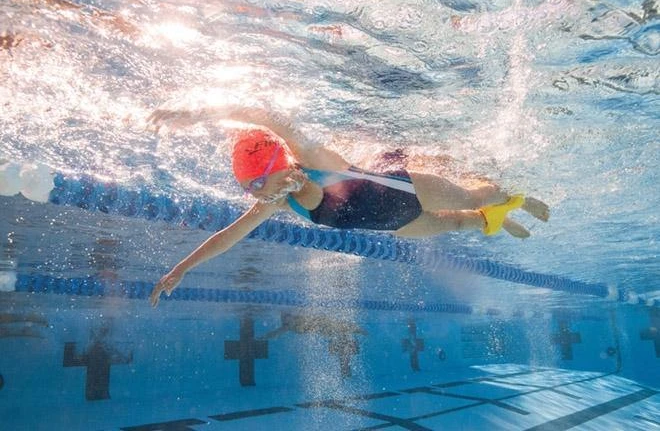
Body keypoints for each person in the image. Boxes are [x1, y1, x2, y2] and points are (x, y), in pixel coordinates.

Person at [148, 106, 549, 307]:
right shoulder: (277, 203)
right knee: (462, 224)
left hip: (407, 190)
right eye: (246, 188)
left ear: (272, 168)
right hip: (396, 224)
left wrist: (198, 115)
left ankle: (518, 196)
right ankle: (498, 218)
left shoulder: (312, 158)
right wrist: (181, 268)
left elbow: (266, 116)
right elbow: (228, 236)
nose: (252, 195)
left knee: (473, 197)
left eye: (253, 184)